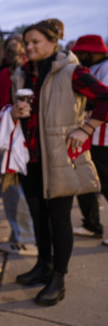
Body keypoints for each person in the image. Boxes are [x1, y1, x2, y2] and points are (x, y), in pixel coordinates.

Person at [10, 20, 108, 306]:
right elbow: (14, 110)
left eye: (36, 42)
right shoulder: (22, 73)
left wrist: (87, 128)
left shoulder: (72, 72)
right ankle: (42, 265)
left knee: (60, 219)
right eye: (26, 42)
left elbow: (105, 97)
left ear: (53, 43)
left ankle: (59, 278)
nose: (29, 47)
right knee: (38, 216)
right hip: (29, 158)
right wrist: (16, 112)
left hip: (60, 157)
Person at [0, 35, 38, 257]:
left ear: (4, 53)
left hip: (12, 138)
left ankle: (25, 238)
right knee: (20, 189)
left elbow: (3, 105)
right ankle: (22, 234)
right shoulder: (29, 73)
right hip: (25, 137)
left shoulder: (7, 74)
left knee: (12, 190)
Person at [69, 35, 108, 244]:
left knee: (105, 183)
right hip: (88, 138)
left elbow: (104, 100)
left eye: (80, 52)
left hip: (103, 138)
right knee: (85, 182)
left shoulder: (106, 68)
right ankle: (91, 223)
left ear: (90, 51)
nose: (77, 55)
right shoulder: (88, 68)